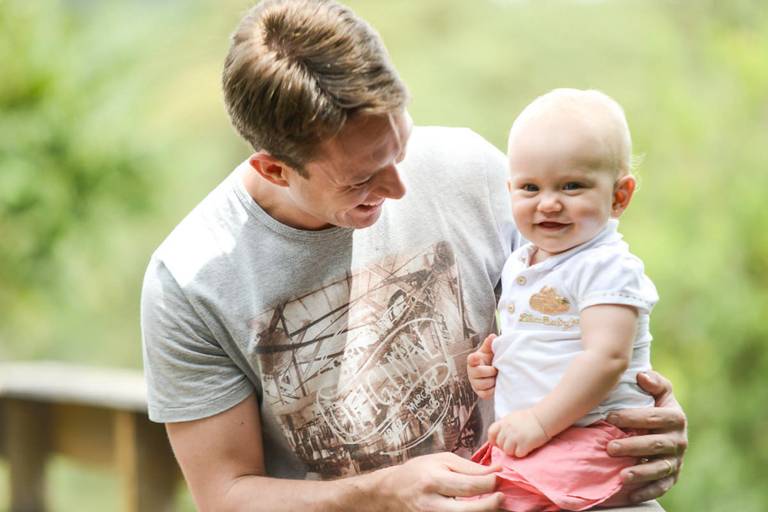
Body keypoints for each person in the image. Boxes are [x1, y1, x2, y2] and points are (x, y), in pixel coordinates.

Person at [140, 1, 687, 511]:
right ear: (274, 169)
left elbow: (580, 315)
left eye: (400, 146)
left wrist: (647, 418)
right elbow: (225, 494)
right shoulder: (189, 283)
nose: (400, 186)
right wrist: (383, 492)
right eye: (362, 177)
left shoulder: (474, 168)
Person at [466, 88, 676, 511]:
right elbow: (541, 341)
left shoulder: (605, 265)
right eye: (529, 187)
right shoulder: (525, 261)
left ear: (619, 196)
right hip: (546, 437)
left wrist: (541, 422)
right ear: (509, 190)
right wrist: (493, 367)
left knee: (504, 500)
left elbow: (607, 358)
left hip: (591, 434)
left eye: (572, 186)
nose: (549, 203)